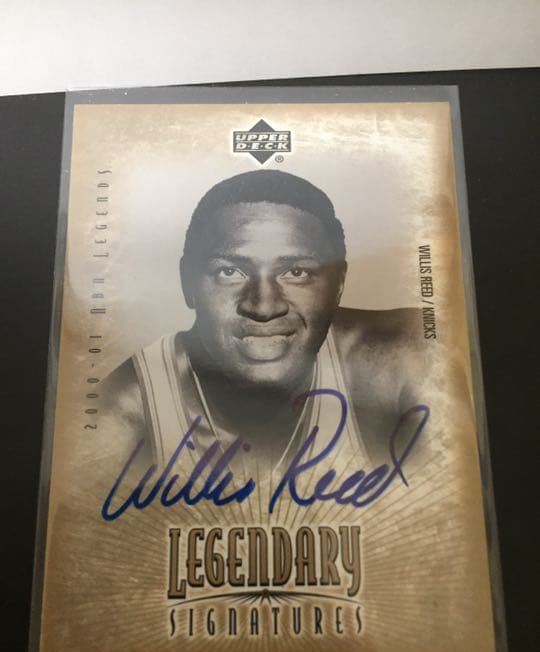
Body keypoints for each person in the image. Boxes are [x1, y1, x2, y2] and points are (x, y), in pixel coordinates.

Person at [102, 170, 423, 483]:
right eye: (229, 272)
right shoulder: (123, 410)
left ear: (338, 284)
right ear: (188, 283)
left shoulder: (403, 361)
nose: (264, 307)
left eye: (296, 272)